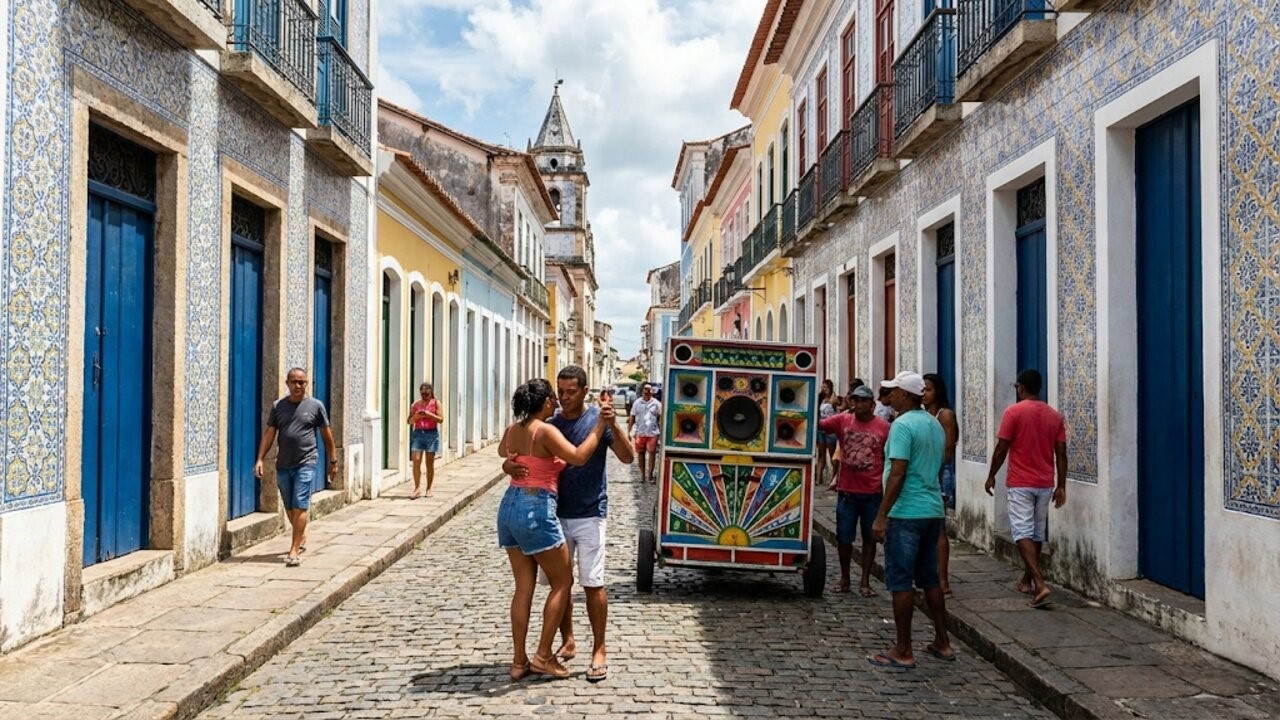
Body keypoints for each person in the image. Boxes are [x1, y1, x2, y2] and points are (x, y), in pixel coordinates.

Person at [506, 366, 634, 683]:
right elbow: (520, 451)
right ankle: (568, 640)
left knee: (593, 583)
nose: (563, 398)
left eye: (570, 392)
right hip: (555, 513)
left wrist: (613, 425)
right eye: (560, 392)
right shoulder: (550, 422)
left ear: (585, 390)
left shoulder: (598, 421)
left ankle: (599, 650)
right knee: (561, 584)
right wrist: (508, 462)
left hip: (590, 512)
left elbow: (628, 457)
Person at [869, 371, 954, 669]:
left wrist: (881, 515)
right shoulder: (934, 424)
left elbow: (899, 471)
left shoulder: (903, 426)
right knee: (930, 579)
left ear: (906, 395)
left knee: (901, 581)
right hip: (932, 510)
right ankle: (942, 641)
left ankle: (903, 650)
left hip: (906, 513)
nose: (888, 397)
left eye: (893, 392)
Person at [984, 369, 1068, 609]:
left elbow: (1001, 449)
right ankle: (1027, 579)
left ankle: (1040, 584)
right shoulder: (1054, 415)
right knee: (1037, 532)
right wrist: (1061, 484)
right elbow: (1061, 453)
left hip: (1021, 482)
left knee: (1021, 532)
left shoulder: (1013, 412)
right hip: (1044, 482)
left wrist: (991, 475)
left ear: (1020, 388)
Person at [254, 368, 337, 567]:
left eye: (302, 382)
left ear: (306, 383)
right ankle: (301, 535)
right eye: (294, 382)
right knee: (289, 506)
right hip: (283, 463)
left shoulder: (316, 406)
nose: (298, 386)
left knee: (300, 503)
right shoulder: (278, 406)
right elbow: (269, 433)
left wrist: (333, 461)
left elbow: (327, 435)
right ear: (287, 383)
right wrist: (259, 459)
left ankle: (293, 550)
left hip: (306, 462)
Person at [820, 385, 890, 596]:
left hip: (872, 493)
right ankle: (845, 578)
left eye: (862, 400)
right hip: (847, 492)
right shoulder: (842, 420)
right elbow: (819, 425)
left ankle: (865, 581)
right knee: (843, 538)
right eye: (855, 400)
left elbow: (889, 459)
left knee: (870, 539)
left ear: (872, 404)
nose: (857, 404)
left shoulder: (884, 428)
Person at [923, 374, 958, 598]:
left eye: (928, 390)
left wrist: (935, 472)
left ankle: (943, 580)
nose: (924, 393)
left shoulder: (944, 414)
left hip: (939, 473)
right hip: (925, 473)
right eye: (922, 390)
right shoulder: (922, 414)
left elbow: (948, 450)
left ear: (938, 391)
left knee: (939, 528)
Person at [406, 383, 443, 499]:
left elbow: (441, 419)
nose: (424, 396)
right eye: (422, 394)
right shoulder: (416, 405)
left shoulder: (436, 403)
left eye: (427, 394)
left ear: (431, 393)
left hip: (431, 434)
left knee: (429, 462)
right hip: (418, 434)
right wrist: (417, 417)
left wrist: (429, 415)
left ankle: (429, 488)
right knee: (416, 461)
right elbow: (410, 421)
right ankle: (417, 488)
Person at [628, 383, 662, 483]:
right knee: (641, 454)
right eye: (645, 389)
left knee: (652, 454)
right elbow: (632, 417)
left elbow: (660, 418)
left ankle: (650, 475)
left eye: (649, 389)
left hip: (652, 433)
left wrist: (660, 433)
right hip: (640, 432)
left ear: (652, 391)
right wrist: (629, 431)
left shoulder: (657, 404)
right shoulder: (637, 403)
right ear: (642, 391)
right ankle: (642, 475)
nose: (647, 391)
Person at [816, 379, 839, 485]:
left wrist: (833, 402)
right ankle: (818, 478)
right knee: (821, 454)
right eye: (823, 387)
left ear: (830, 388)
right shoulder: (820, 399)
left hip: (831, 430)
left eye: (826, 387)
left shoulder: (834, 399)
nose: (824, 389)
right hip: (821, 429)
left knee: (832, 454)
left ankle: (833, 478)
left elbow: (839, 407)